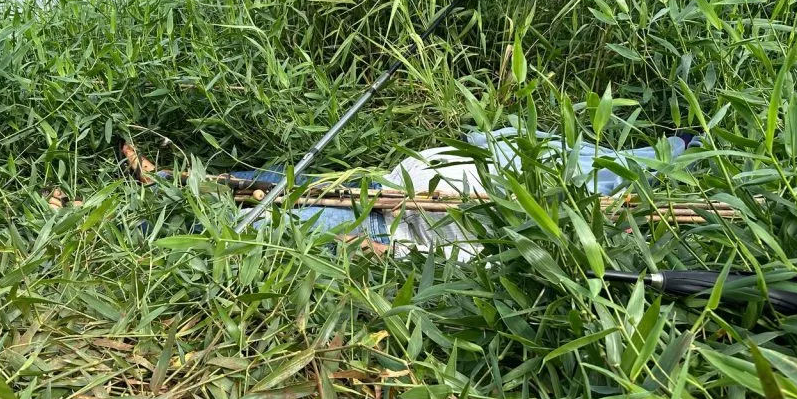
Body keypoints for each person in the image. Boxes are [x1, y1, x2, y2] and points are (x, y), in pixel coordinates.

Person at [118, 128, 697, 259]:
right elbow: (484, 144)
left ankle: (145, 222)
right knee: (280, 182)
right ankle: (165, 179)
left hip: (390, 224)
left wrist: (391, 252)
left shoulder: (559, 238)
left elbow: (468, 262)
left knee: (274, 218)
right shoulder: (566, 163)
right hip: (394, 190)